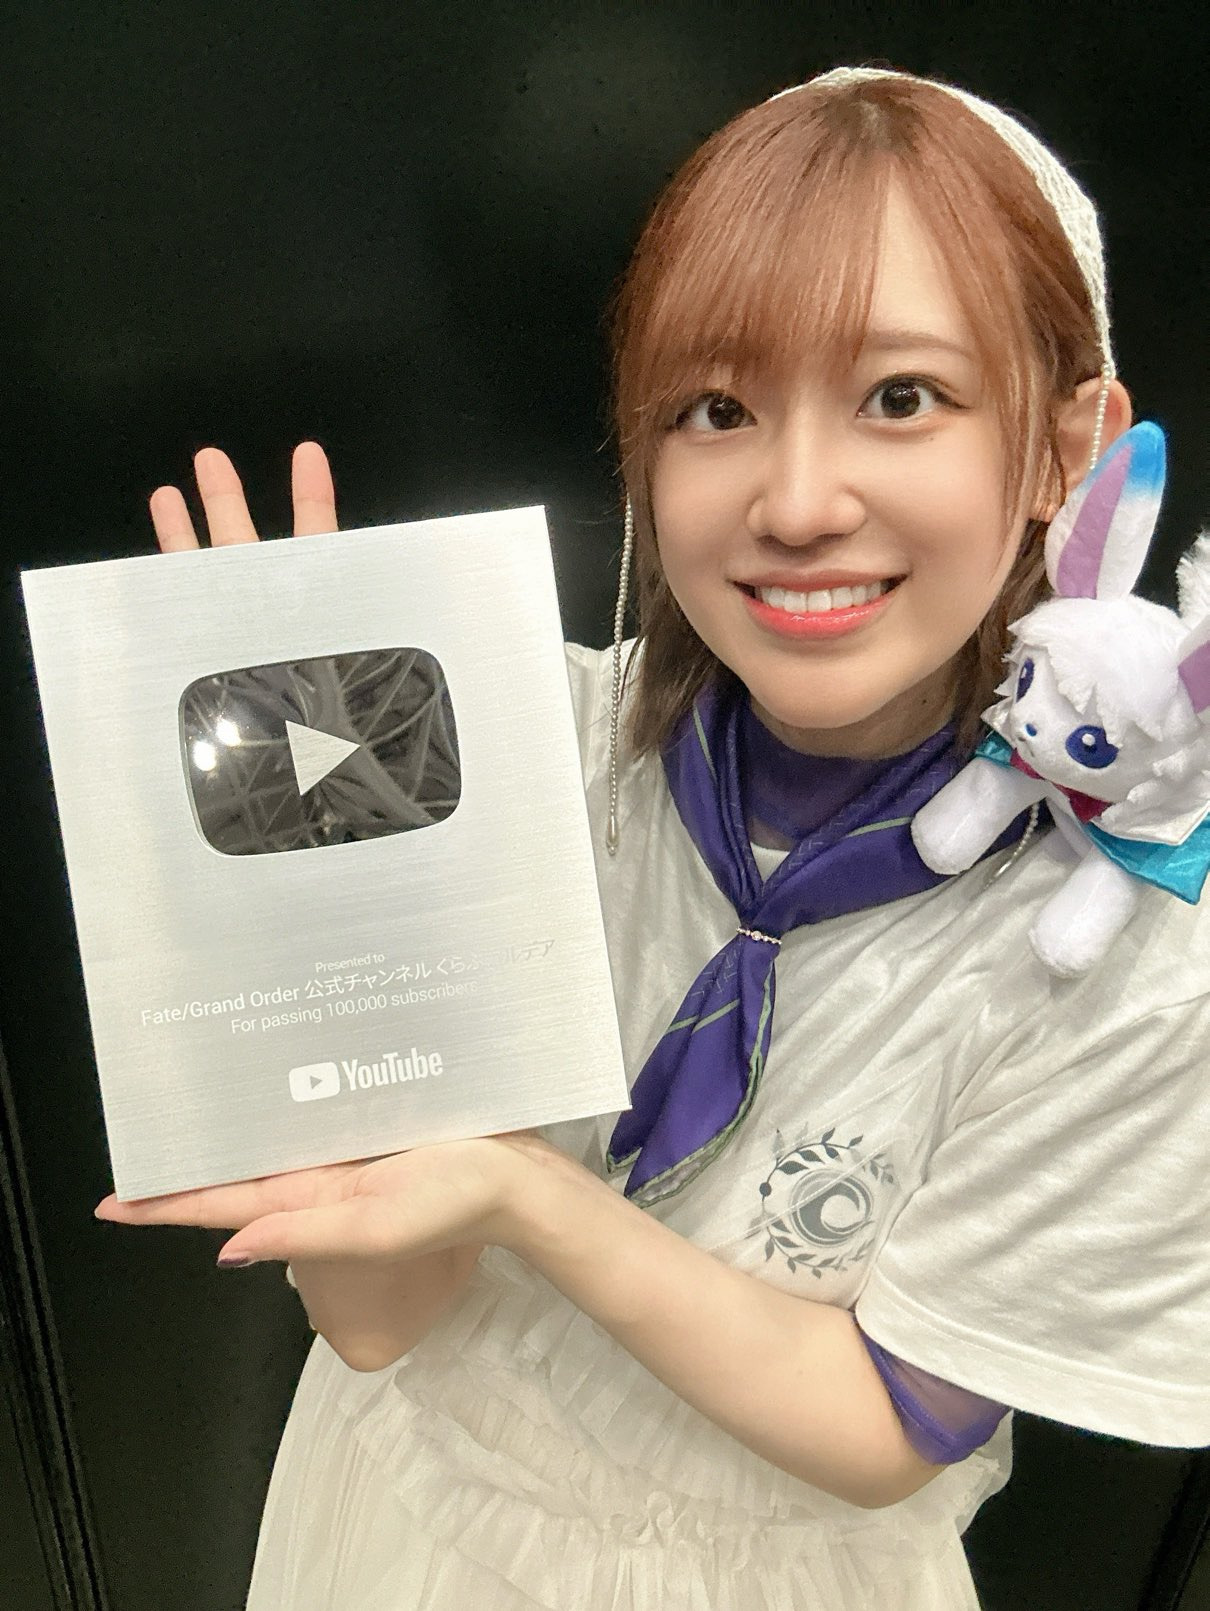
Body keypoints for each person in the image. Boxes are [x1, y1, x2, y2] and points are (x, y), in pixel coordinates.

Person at [95, 67, 1210, 1609]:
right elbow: (375, 1324)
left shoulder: (1131, 949)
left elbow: (890, 1431)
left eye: (901, 397)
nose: (797, 502)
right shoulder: (503, 753)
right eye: (716, 409)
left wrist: (530, 1197)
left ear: (1064, 453)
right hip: (396, 1520)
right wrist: (330, 919)